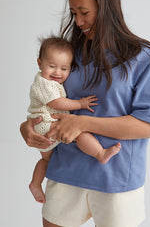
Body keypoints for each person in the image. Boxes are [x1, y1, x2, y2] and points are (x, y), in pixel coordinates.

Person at [20, 0, 150, 227]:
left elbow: (146, 126)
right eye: (74, 13)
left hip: (116, 180)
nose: (78, 22)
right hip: (65, 170)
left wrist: (83, 123)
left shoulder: (145, 58)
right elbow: (46, 98)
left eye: (84, 13)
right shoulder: (69, 55)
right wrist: (26, 128)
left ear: (107, 7)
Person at [28, 36, 121, 204]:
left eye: (64, 68)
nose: (58, 72)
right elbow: (56, 102)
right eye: (51, 66)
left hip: (41, 125)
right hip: (45, 123)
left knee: (46, 159)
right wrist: (80, 103)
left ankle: (35, 183)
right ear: (39, 63)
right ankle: (100, 153)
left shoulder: (48, 80)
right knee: (79, 133)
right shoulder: (43, 83)